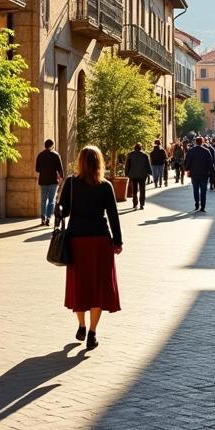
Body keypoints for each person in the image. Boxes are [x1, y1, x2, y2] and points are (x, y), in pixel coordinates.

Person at [56, 145, 122, 351]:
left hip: (77, 241)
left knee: (80, 285)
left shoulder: (71, 184)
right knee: (98, 287)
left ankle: (82, 325)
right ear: (99, 163)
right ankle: (93, 332)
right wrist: (118, 241)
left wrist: (58, 208)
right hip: (100, 241)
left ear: (80, 162)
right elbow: (113, 215)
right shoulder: (105, 186)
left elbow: (63, 212)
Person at [35, 139, 65, 226]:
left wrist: (44, 170)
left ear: (45, 145)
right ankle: (48, 218)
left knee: (43, 200)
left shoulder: (40, 155)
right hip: (53, 181)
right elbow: (60, 168)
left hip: (43, 180)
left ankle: (42, 218)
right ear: (52, 145)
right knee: (51, 200)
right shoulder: (56, 155)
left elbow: (37, 169)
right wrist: (61, 177)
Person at [185, 136, 213, 211]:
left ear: (195, 142)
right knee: (203, 191)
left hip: (194, 174)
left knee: (195, 189)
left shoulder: (191, 151)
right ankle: (203, 207)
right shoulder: (206, 151)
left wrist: (187, 169)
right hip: (204, 174)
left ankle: (197, 203)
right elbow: (210, 162)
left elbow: (188, 161)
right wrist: (212, 172)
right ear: (202, 142)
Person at [124, 143, 151, 210]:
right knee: (142, 189)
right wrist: (150, 173)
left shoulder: (130, 155)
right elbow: (148, 165)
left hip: (133, 175)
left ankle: (135, 204)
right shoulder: (144, 155)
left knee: (134, 189)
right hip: (142, 175)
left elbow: (127, 165)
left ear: (134, 148)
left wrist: (126, 173)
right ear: (141, 148)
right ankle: (142, 204)